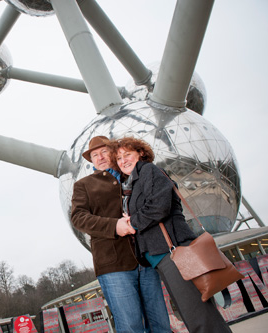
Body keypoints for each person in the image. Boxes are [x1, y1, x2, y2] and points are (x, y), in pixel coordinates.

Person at [114, 137, 232, 333]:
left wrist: (130, 223)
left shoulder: (149, 171)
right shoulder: (135, 181)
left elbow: (159, 207)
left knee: (198, 314)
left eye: (128, 154)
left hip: (174, 251)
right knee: (192, 312)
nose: (123, 161)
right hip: (161, 255)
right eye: (119, 158)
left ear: (141, 154)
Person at [71, 136, 171, 333]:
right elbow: (78, 217)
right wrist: (114, 226)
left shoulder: (133, 175)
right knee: (130, 326)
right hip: (113, 264)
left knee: (160, 323)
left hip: (146, 258)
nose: (99, 157)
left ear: (114, 152)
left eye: (104, 152)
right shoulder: (84, 185)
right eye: (94, 155)